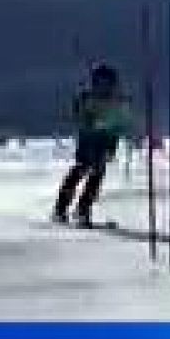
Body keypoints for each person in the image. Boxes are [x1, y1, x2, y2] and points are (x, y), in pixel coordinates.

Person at [54, 64, 135, 226]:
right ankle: (62, 209)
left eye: (108, 83)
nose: (104, 87)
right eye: (100, 82)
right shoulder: (87, 99)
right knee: (80, 172)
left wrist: (125, 132)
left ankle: (82, 209)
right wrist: (87, 116)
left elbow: (124, 122)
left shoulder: (118, 101)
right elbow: (79, 117)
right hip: (89, 141)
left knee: (96, 176)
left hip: (107, 142)